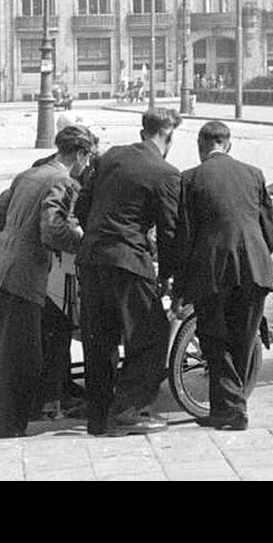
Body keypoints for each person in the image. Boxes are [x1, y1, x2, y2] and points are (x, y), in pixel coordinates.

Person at [74, 107, 182, 436]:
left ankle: (99, 417)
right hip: (128, 262)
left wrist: (98, 234)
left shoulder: (110, 157)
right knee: (151, 335)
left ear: (142, 132)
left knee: (99, 340)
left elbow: (81, 206)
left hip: (91, 259)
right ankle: (131, 410)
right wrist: (167, 274)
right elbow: (170, 232)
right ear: (169, 136)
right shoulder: (165, 172)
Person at [0, 125, 96, 438]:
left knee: (30, 340)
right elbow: (52, 231)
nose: (86, 165)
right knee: (22, 358)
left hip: (1, 267)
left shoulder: (28, 174)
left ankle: (29, 411)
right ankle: (10, 429)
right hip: (24, 275)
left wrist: (18, 233)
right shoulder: (64, 180)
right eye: (87, 158)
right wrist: (83, 244)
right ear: (79, 154)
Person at [172, 121, 273, 431]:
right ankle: (227, 408)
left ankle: (232, 410)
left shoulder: (189, 178)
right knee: (242, 340)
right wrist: (256, 254)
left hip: (213, 271)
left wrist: (181, 283)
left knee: (215, 341)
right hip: (255, 269)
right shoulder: (254, 174)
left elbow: (185, 236)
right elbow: (270, 229)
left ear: (200, 146)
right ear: (228, 144)